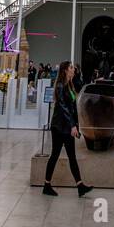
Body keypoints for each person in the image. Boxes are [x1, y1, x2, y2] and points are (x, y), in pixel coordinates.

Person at [42, 61, 92, 198]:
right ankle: (47, 185)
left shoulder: (70, 85)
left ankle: (80, 185)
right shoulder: (59, 86)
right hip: (59, 126)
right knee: (55, 155)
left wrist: (76, 124)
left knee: (72, 156)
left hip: (67, 126)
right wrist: (72, 126)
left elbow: (73, 108)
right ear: (65, 70)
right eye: (71, 68)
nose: (73, 69)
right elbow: (63, 107)